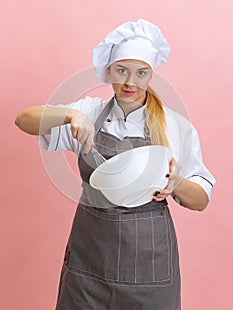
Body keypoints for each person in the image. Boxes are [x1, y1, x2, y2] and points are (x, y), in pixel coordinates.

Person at [15, 19, 215, 310]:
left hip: (150, 265)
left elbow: (201, 200)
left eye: (141, 73)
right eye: (121, 70)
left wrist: (177, 184)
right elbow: (24, 120)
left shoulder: (175, 126)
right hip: (89, 262)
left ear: (151, 74)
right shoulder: (89, 112)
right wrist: (69, 115)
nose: (130, 82)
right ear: (108, 71)